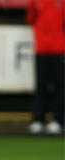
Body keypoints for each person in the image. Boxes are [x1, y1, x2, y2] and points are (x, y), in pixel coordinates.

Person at [26, 0, 64, 135]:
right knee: (41, 86)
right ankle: (38, 120)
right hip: (41, 49)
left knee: (60, 86)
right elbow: (31, 19)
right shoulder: (35, 1)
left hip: (59, 49)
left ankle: (58, 121)